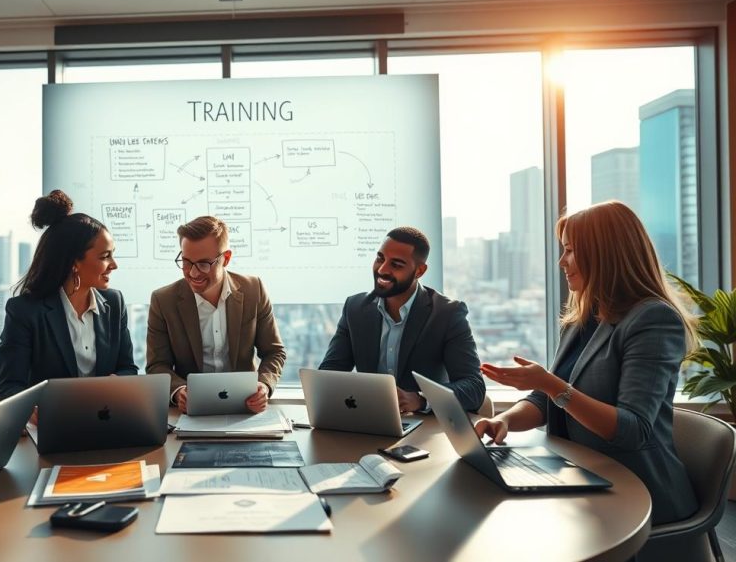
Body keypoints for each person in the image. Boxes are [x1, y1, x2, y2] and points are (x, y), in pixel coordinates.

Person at [475, 201, 698, 525]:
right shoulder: (581, 320)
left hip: (640, 496)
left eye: (570, 250)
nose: (561, 261)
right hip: (584, 480)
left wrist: (549, 383)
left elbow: (633, 430)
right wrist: (506, 420)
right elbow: (549, 398)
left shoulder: (653, 319)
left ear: (605, 254)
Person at [319, 226, 485, 413]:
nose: (382, 269)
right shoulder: (355, 308)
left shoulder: (447, 313)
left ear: (419, 271)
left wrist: (421, 400)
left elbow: (474, 388)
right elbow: (329, 375)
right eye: (380, 258)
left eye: (396, 265)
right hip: (368, 423)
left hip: (424, 428)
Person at [0, 190, 138, 401]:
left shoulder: (114, 303)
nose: (114, 265)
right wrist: (32, 410)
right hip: (51, 425)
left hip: (107, 420)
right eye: (105, 256)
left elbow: (128, 368)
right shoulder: (25, 311)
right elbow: (9, 387)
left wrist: (116, 382)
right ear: (74, 263)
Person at [146, 216, 285, 413]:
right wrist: (178, 391)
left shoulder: (254, 289)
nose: (193, 273)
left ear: (226, 258)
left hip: (245, 407)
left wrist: (264, 385)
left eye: (203, 264)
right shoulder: (163, 300)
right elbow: (157, 365)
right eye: (186, 262)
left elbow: (274, 352)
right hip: (191, 410)